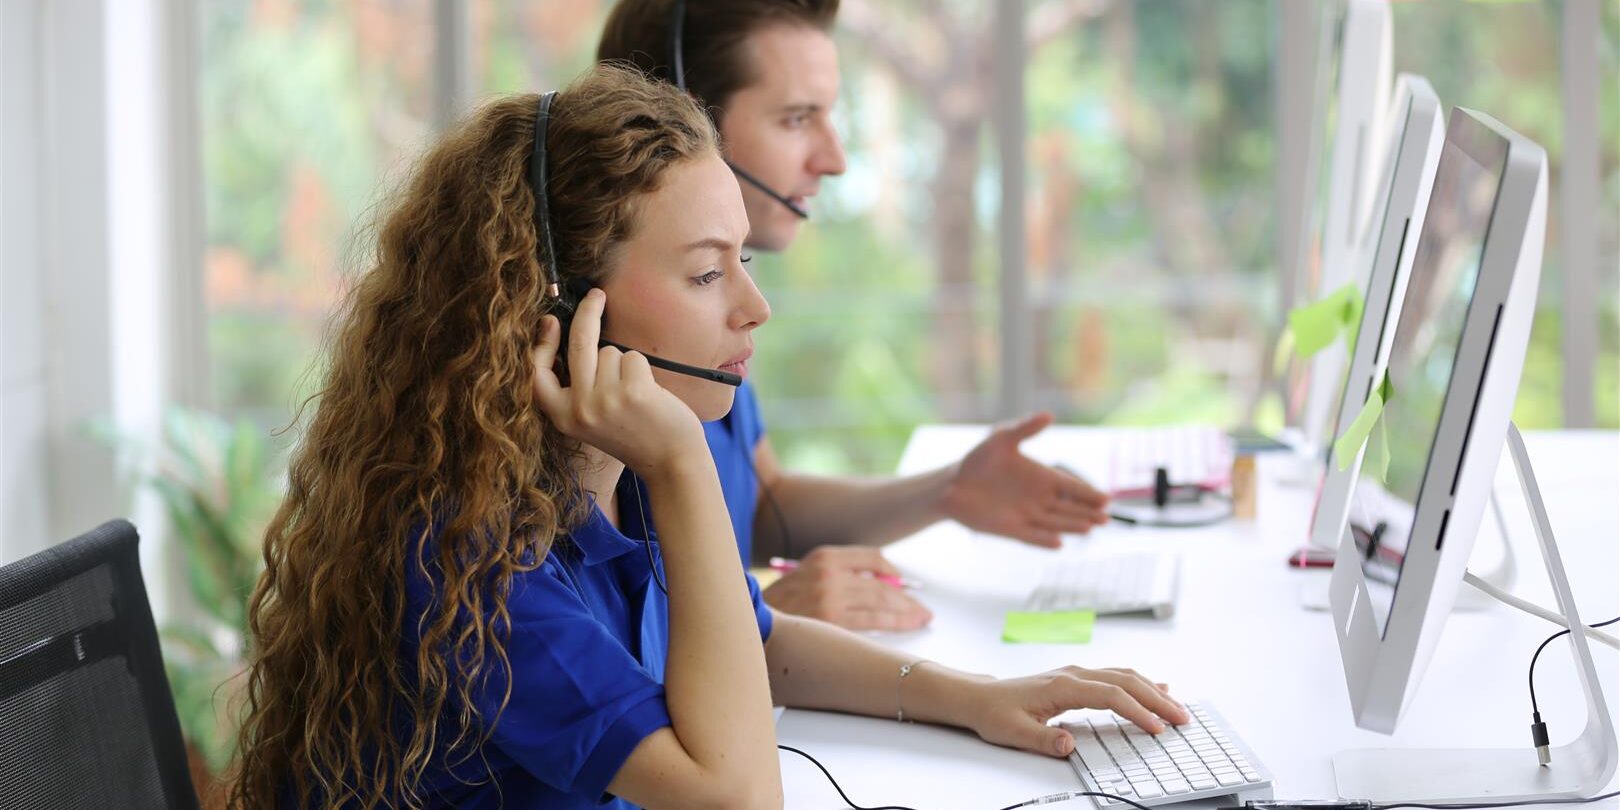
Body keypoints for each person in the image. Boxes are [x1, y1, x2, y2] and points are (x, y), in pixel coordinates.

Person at [226, 65, 1186, 810]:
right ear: (559, 310)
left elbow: (760, 646)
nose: (754, 307)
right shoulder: (470, 562)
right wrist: (687, 465)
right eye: (704, 274)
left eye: (743, 261)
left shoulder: (611, 484)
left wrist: (976, 696)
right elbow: (737, 800)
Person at [597, 0, 1113, 632]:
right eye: (796, 119)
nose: (835, 158)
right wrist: (760, 623)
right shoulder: (630, 349)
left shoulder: (717, 319)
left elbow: (757, 507)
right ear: (681, 120)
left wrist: (949, 491)